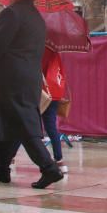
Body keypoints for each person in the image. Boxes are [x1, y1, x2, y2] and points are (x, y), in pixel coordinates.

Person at [0, 0, 64, 189]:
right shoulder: (37, 18)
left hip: (9, 78)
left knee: (23, 124)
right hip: (29, 78)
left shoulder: (11, 14)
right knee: (7, 120)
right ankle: (1, 169)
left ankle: (49, 168)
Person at [41, 44, 68, 173]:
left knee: (26, 126)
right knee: (51, 128)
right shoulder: (55, 50)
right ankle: (60, 160)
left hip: (42, 93)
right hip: (55, 93)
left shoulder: (40, 49)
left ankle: (10, 158)